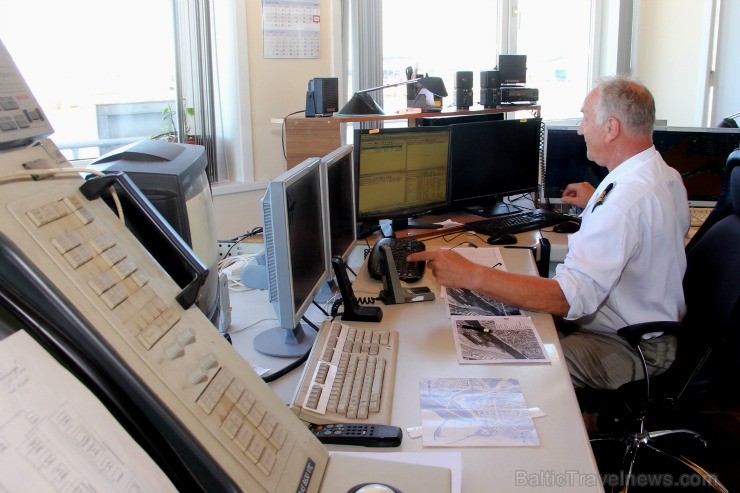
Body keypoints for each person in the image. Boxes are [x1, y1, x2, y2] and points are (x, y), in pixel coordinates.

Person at [408, 76, 690, 391]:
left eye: (586, 119)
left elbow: (568, 298)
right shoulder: (663, 175)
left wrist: (472, 275)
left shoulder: (623, 203)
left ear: (611, 128)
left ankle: (575, 431)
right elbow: (644, 231)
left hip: (631, 348)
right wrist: (596, 201)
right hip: (637, 330)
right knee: (504, 326)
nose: (581, 129)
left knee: (515, 367)